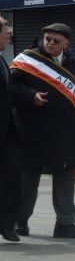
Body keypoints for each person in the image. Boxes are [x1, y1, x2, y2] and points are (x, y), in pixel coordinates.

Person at [11, 23, 75, 238]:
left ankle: (65, 223)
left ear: (66, 43)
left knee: (65, 177)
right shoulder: (27, 60)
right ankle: (18, 221)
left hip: (66, 133)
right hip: (33, 131)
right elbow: (10, 88)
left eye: (55, 40)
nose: (50, 43)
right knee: (28, 179)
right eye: (47, 38)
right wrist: (30, 96)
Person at [0, 16, 21, 242]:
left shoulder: (3, 60)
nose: (8, 35)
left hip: (8, 132)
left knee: (12, 176)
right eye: (6, 30)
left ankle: (6, 224)